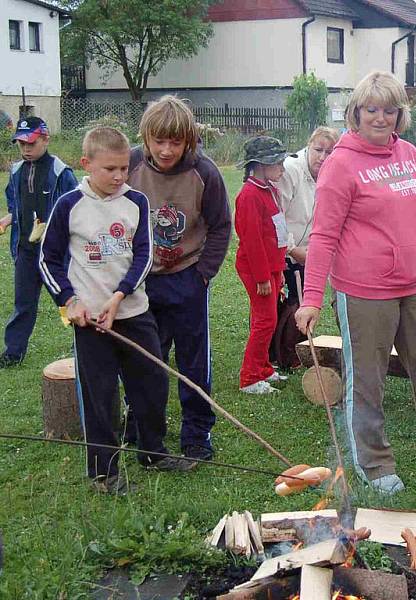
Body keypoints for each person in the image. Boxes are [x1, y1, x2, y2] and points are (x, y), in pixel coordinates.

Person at [294, 71, 416, 496]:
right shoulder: (340, 165)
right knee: (368, 379)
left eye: (389, 110)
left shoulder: (409, 155)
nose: (380, 118)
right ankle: (374, 462)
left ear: (400, 115)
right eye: (371, 110)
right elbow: (324, 236)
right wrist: (311, 299)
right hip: (364, 292)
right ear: (356, 113)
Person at [39, 127, 188, 495]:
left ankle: (152, 451)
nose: (119, 176)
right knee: (100, 395)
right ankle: (103, 472)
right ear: (86, 164)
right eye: (110, 169)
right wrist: (70, 301)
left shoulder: (136, 201)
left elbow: (144, 255)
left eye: (124, 168)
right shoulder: (69, 205)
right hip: (90, 322)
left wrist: (120, 296)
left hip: (134, 312)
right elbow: (48, 259)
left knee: (153, 382)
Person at [127, 96, 232, 461]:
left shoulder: (205, 173)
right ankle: (142, 426)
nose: (167, 149)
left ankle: (196, 434)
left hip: (186, 277)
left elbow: (220, 227)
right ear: (146, 137)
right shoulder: (130, 165)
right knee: (144, 358)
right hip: (140, 280)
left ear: (189, 140)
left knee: (193, 362)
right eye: (159, 141)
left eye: (176, 141)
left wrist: (201, 276)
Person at [1, 117, 78, 366]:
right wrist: (6, 220)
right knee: (23, 304)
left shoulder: (61, 172)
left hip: (55, 254)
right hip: (26, 250)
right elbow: (17, 207)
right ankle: (13, 352)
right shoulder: (15, 172)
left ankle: (83, 345)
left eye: (31, 143)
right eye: (21, 143)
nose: (26, 148)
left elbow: (75, 209)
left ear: (46, 139)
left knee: (68, 300)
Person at [272, 126, 340, 368]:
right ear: (308, 146)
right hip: (282, 249)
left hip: (308, 250)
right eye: (318, 150)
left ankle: (287, 353)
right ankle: (287, 355)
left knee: (297, 301)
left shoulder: (332, 173)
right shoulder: (291, 170)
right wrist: (290, 249)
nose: (322, 157)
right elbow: (274, 214)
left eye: (329, 152)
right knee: (293, 303)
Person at [234, 137, 293, 394]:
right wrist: (262, 278)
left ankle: (264, 369)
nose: (282, 168)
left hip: (271, 267)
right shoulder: (249, 196)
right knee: (264, 321)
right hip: (256, 269)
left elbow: (276, 236)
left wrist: (278, 273)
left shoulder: (270, 190)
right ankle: (249, 377)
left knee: (269, 319)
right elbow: (253, 241)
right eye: (277, 163)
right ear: (260, 165)